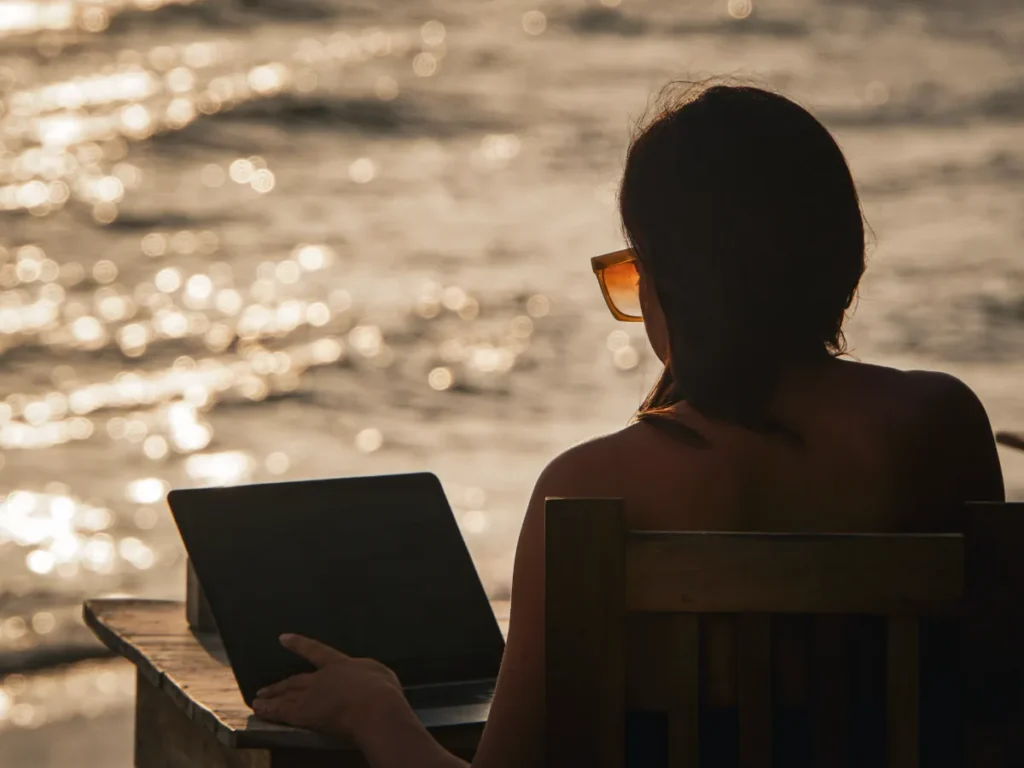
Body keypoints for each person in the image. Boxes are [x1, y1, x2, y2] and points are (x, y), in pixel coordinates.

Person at [250, 82, 1006, 767]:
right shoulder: (941, 424)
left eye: (638, 271)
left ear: (672, 283)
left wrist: (376, 710)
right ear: (843, 256)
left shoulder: (590, 486)